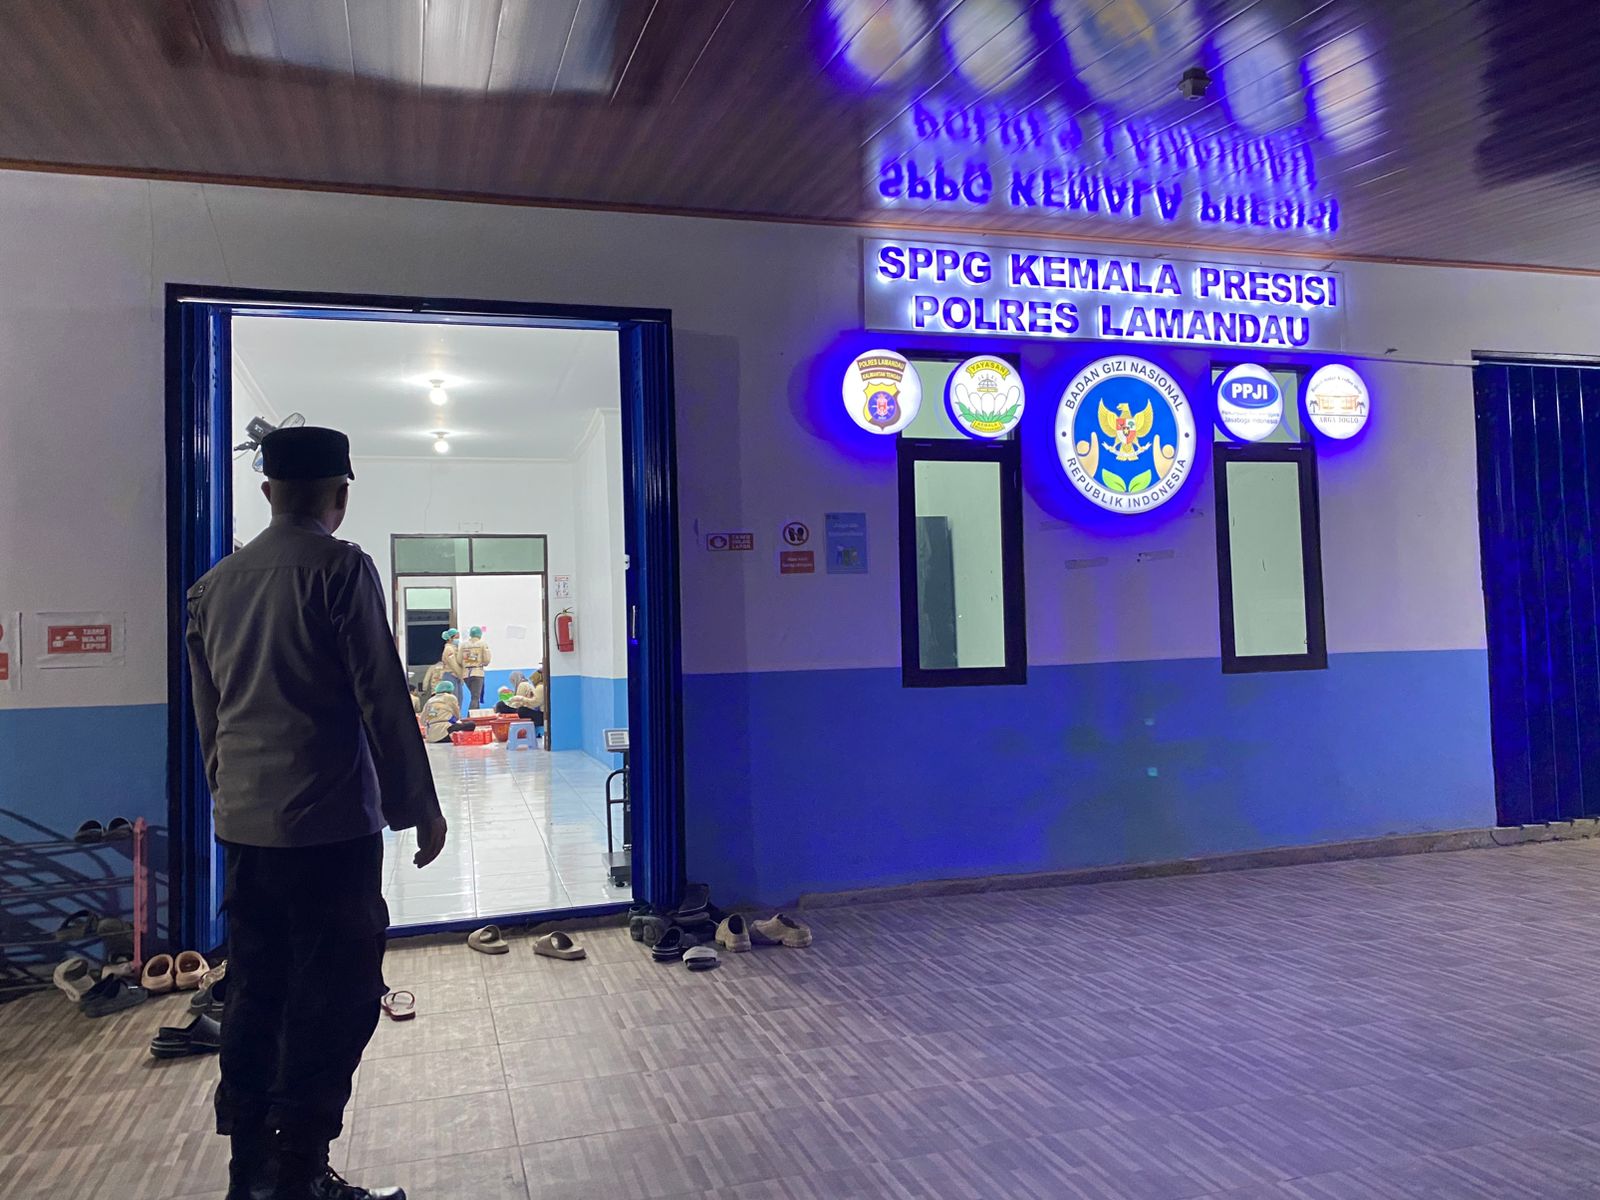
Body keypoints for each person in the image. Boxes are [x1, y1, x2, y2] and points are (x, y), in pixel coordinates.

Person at [186, 426, 448, 1200]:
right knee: (334, 1000)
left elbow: (210, 721)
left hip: (247, 831)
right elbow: (381, 693)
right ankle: (298, 1175)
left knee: (256, 993)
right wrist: (417, 804)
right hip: (330, 831)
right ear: (340, 495)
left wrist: (230, 801)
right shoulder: (341, 569)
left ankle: (250, 1176)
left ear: (268, 491)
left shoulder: (211, 589)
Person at [422, 680, 475, 744]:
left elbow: (422, 721)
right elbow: (457, 716)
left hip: (430, 737)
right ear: (450, 690)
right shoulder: (450, 697)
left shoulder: (429, 701)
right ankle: (462, 738)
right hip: (445, 734)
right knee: (471, 724)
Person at [459, 625, 491, 709]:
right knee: (475, 697)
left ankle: (476, 713)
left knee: (474, 695)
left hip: (466, 674)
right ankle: (471, 715)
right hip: (477, 673)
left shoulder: (463, 645)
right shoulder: (482, 644)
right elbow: (487, 660)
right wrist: (482, 663)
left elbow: (459, 660)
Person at [439, 629, 465, 709]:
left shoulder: (454, 648)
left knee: (459, 699)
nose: (458, 640)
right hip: (451, 675)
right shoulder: (449, 649)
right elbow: (454, 665)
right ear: (450, 638)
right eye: (456, 638)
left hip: (456, 675)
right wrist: (461, 676)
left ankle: (457, 715)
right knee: (453, 699)